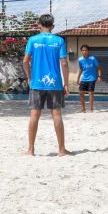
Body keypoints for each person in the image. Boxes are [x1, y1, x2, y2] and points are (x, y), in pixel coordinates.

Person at [23, 13, 70, 156]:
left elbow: (25, 61)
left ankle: (30, 150)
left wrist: (29, 78)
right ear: (53, 26)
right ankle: (61, 150)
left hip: (37, 83)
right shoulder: (59, 40)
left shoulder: (32, 40)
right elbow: (64, 63)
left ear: (39, 25)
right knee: (57, 116)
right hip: (55, 84)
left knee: (34, 116)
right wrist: (66, 84)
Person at [77, 44, 102, 112]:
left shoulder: (93, 58)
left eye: (86, 50)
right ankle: (83, 108)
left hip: (92, 78)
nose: (84, 51)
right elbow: (81, 69)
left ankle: (91, 108)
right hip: (83, 78)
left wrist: (99, 76)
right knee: (81, 92)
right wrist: (78, 78)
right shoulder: (80, 59)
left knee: (90, 93)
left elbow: (99, 68)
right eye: (83, 50)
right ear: (81, 51)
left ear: (88, 51)